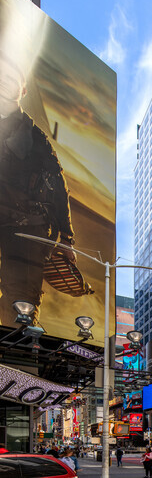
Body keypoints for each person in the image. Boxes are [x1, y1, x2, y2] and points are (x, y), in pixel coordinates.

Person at [0, 51, 76, 327]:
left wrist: (67, 237)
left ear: (22, 89)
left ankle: (12, 367)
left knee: (20, 306)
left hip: (25, 231)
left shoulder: (36, 137)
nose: (4, 81)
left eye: (12, 77)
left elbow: (58, 184)